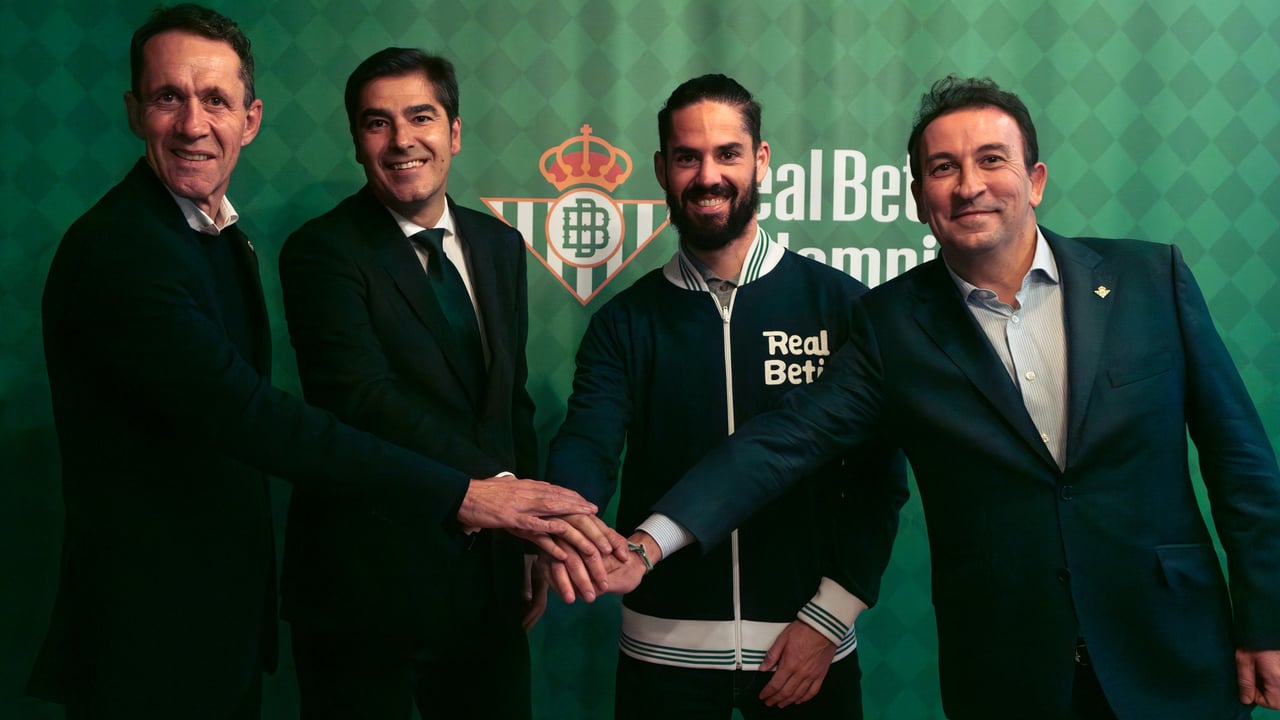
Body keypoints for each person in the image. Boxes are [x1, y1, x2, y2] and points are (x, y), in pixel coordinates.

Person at [601, 75, 1280, 719]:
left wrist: (1267, 619)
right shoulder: (892, 325)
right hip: (1007, 669)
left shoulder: (1149, 277)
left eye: (992, 160)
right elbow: (782, 441)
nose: (969, 186)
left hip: (1170, 649)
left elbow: (1241, 462)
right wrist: (649, 544)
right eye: (943, 168)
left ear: (1036, 179)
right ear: (920, 197)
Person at [30, 9, 600, 719]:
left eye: (215, 100)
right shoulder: (126, 248)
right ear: (134, 110)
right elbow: (274, 413)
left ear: (251, 118)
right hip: (160, 626)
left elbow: (507, 399)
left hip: (228, 619)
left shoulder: (216, 238)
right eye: (168, 96)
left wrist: (515, 533)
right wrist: (474, 494)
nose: (193, 123)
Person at [541, 74, 907, 719]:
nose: (708, 176)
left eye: (727, 154)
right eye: (688, 157)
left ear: (760, 160)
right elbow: (588, 443)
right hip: (661, 652)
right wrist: (569, 522)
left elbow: (878, 481)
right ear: (662, 169)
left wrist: (830, 616)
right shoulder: (624, 322)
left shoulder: (843, 305)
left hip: (805, 647)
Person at [276, 48, 624, 719]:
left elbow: (511, 402)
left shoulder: (499, 245)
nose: (401, 140)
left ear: (454, 132)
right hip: (364, 592)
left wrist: (526, 542)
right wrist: (506, 492)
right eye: (377, 123)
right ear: (357, 141)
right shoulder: (321, 250)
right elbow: (362, 399)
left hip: (486, 590)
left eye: (420, 117)